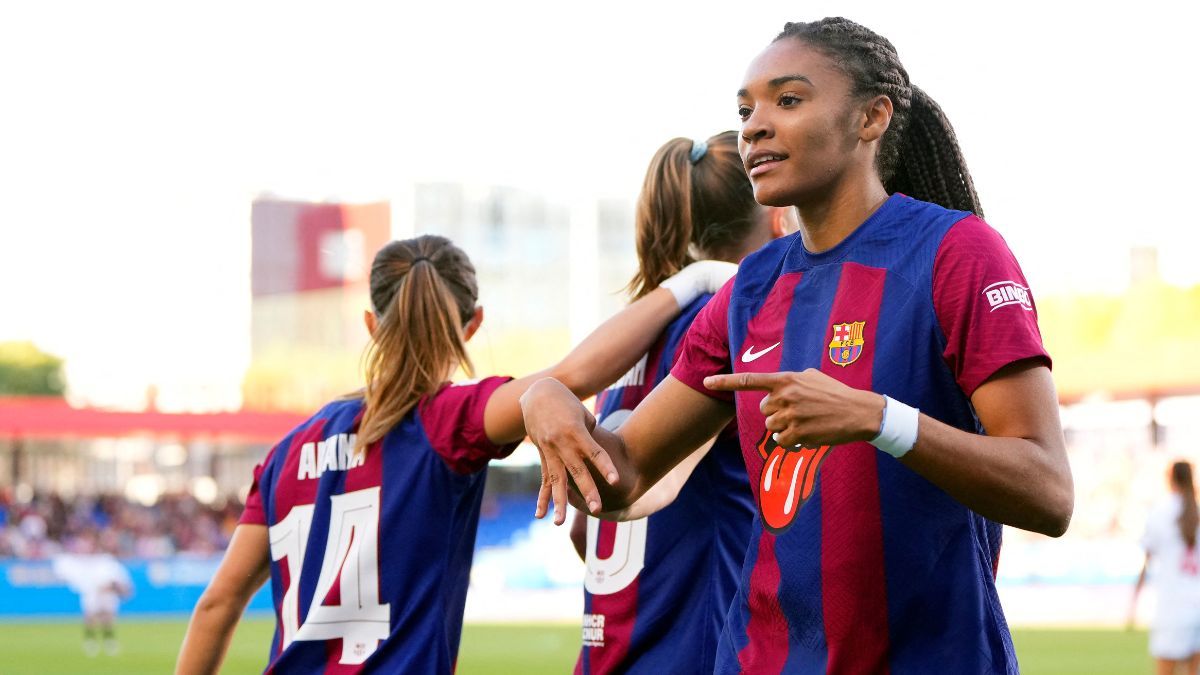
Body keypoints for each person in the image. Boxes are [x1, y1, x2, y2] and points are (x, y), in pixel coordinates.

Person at [521, 17, 1074, 674]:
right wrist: (548, 399)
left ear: (871, 117)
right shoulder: (748, 291)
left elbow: (1048, 490)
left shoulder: (957, 253)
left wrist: (878, 419)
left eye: (787, 99)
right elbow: (627, 475)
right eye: (744, 108)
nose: (754, 125)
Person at [174, 234, 734, 674]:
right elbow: (570, 377)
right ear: (473, 324)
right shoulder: (445, 422)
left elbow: (219, 604)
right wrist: (696, 281)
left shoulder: (288, 450)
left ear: (371, 324)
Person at [568, 131, 795, 674]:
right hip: (692, 647)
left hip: (610, 648)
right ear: (775, 217)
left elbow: (585, 526)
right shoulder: (727, 328)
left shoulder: (630, 342)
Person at [1131, 461, 1200, 675]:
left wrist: (1134, 601)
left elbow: (1147, 561)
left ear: (1170, 478)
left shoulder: (1160, 512)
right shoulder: (1196, 511)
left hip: (1172, 609)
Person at [52, 533, 133, 657]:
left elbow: (121, 584)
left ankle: (108, 641)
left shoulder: (108, 561)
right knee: (91, 617)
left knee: (107, 618)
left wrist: (112, 587)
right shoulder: (84, 561)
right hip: (94, 594)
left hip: (107, 595)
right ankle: (91, 641)